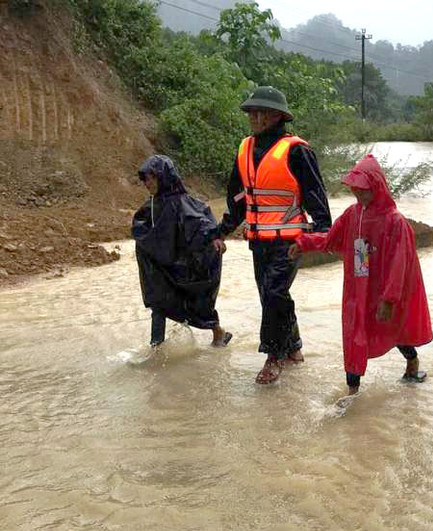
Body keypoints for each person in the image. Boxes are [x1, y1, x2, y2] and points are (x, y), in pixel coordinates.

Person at [211, 86, 332, 384]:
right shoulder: (245, 149)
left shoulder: (297, 150)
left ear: (277, 116)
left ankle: (273, 356)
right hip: (258, 242)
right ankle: (294, 347)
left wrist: (321, 234)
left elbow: (316, 196)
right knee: (271, 296)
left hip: (290, 242)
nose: (254, 118)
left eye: (260, 112)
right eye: (251, 113)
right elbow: (238, 199)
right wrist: (222, 231)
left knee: (275, 293)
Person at [289, 155, 433, 396]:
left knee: (393, 328)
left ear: (377, 187)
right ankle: (352, 391)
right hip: (357, 287)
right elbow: (331, 239)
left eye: (363, 190)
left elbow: (399, 265)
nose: (358, 195)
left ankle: (412, 361)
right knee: (353, 333)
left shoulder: (395, 222)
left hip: (384, 287)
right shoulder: (352, 214)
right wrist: (304, 242)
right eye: (355, 189)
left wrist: (389, 299)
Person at [132, 155, 231, 348]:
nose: (147, 183)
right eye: (145, 179)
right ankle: (156, 347)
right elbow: (141, 233)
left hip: (183, 266)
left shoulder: (184, 203)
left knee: (194, 303)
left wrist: (215, 238)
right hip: (160, 269)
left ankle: (218, 332)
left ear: (163, 177)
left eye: (151, 178)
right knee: (158, 303)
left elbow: (202, 224)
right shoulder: (149, 207)